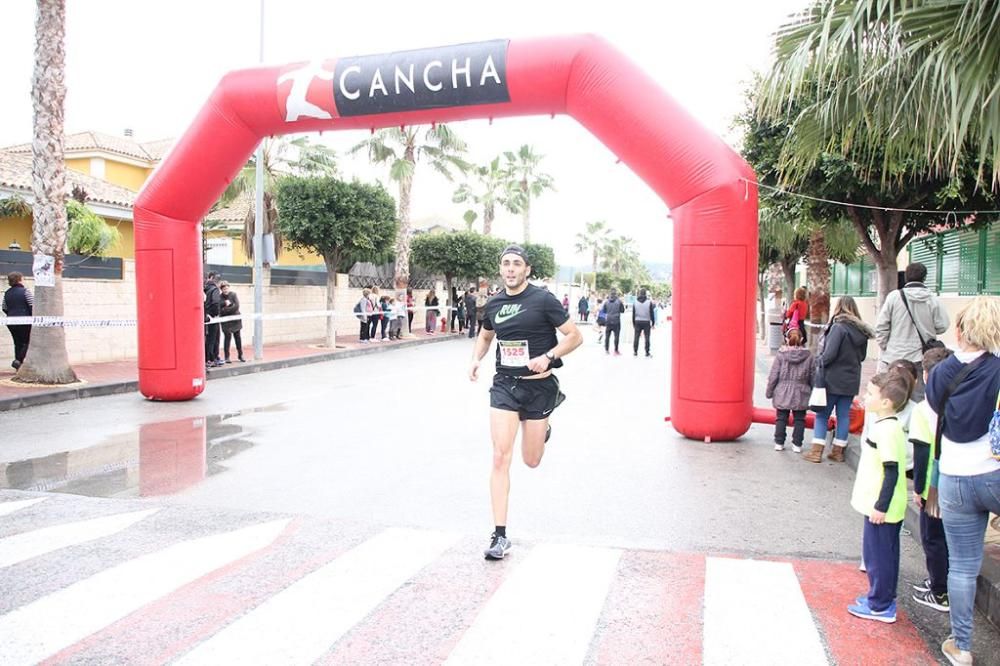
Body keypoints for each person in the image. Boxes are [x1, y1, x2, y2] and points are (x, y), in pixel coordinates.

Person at [469, 245, 583, 561]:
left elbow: (574, 336)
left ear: (527, 270)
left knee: (531, 460)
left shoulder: (543, 300)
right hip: (505, 386)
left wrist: (548, 356)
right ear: (500, 269)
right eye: (505, 263)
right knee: (499, 457)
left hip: (540, 388)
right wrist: (476, 359)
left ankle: (542, 429)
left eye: (516, 264)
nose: (510, 269)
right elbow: (485, 336)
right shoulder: (494, 303)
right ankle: (499, 535)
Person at [924, 296, 1000, 665]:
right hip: (995, 474)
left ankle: (962, 646)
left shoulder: (940, 372)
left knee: (963, 566)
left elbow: (937, 408)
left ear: (959, 330)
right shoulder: (998, 370)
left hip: (954, 477)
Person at [847, 372, 911, 623]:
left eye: (871, 393)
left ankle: (880, 605)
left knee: (878, 556)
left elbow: (892, 470)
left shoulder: (886, 430)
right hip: (881, 505)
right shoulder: (889, 425)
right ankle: (881, 597)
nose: (865, 396)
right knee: (884, 554)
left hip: (881, 507)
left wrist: (880, 506)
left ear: (886, 402)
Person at [908, 347, 955, 615]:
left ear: (926, 376)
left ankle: (940, 591)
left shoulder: (924, 409)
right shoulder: (960, 402)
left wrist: (918, 489)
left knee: (933, 538)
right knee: (949, 538)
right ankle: (941, 583)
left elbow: (922, 452)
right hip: (957, 478)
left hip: (933, 487)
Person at [805, 296, 875, 463]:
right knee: (843, 416)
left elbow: (829, 355)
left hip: (831, 379)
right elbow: (863, 356)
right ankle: (838, 452)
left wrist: (818, 362)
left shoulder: (838, 328)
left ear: (838, 308)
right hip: (851, 379)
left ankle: (816, 452)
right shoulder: (862, 331)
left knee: (822, 415)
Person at [875, 262, 950, 401]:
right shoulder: (932, 299)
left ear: (906, 277)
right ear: (924, 277)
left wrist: (886, 346)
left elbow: (881, 327)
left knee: (893, 397)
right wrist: (928, 330)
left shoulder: (894, 297)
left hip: (894, 356)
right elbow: (943, 325)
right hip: (921, 355)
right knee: (918, 397)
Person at [766, 328, 814, 453]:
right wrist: (813, 391)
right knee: (800, 419)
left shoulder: (781, 355)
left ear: (786, 339)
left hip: (782, 390)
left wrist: (769, 391)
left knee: (781, 418)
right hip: (802, 391)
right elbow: (813, 376)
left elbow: (774, 375)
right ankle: (797, 444)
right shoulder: (809, 356)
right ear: (802, 339)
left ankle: (779, 442)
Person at [2, 272, 33, 370]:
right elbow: (32, 305)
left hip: (11, 321)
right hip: (25, 320)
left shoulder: (7, 293)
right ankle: (18, 361)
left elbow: (4, 307)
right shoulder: (25, 291)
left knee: (17, 343)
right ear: (19, 279)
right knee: (28, 341)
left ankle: (18, 366)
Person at [219, 281, 244, 363]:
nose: (225, 290)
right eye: (224, 289)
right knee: (227, 338)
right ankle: (227, 357)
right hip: (226, 322)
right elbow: (220, 311)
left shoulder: (233, 294)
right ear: (221, 290)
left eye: (226, 288)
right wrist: (228, 307)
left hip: (235, 320)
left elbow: (236, 306)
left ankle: (240, 355)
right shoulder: (220, 298)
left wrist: (226, 308)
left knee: (238, 337)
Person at [204, 272, 223, 367]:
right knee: (214, 340)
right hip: (213, 318)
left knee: (208, 339)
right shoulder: (215, 289)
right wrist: (215, 314)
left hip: (206, 318)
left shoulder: (205, 289)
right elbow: (215, 303)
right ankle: (211, 359)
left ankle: (207, 358)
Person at [632, 288, 656, 357]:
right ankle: (647, 352)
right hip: (646, 321)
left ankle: (635, 351)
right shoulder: (649, 302)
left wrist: (634, 323)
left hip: (637, 321)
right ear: (645, 294)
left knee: (636, 337)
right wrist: (653, 323)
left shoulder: (635, 302)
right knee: (647, 337)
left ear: (639, 293)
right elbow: (651, 314)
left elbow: (633, 314)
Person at [601, 289, 625, 355]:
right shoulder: (619, 302)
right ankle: (616, 350)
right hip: (616, 320)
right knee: (616, 336)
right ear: (616, 294)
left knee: (607, 336)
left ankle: (606, 350)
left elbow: (604, 311)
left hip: (608, 320)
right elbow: (622, 310)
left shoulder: (606, 302)